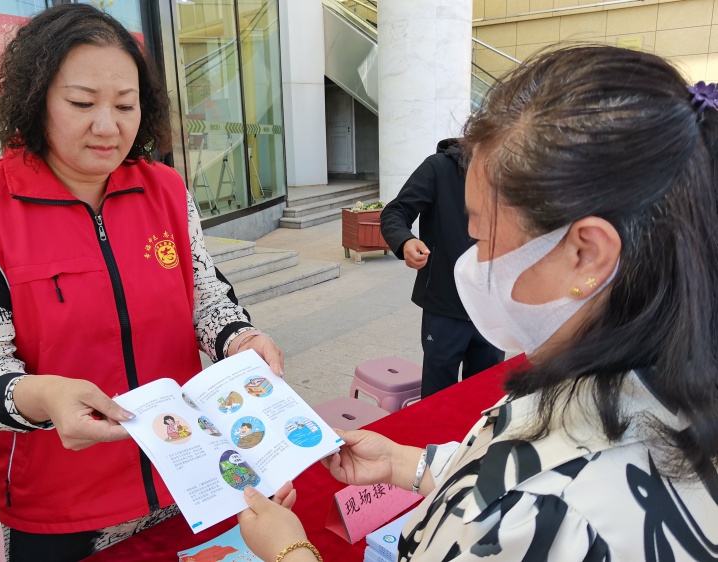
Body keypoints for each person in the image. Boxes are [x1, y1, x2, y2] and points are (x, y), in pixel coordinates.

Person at [237, 45, 718, 561]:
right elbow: (512, 462)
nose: (474, 260)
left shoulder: (536, 515)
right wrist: (408, 465)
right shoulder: (657, 382)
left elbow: (515, 495)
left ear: (586, 254)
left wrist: (289, 551)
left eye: (482, 235)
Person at [0, 4, 283, 561]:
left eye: (125, 104)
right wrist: (43, 397)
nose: (107, 126)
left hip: (186, 472)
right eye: (82, 103)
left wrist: (239, 339)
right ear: (36, 99)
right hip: (62, 507)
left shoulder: (166, 190)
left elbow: (206, 297)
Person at [380, 139, 503, 398]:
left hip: (493, 310)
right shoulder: (438, 168)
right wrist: (405, 241)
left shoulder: (515, 176)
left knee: (485, 398)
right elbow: (395, 212)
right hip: (445, 305)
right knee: (438, 399)